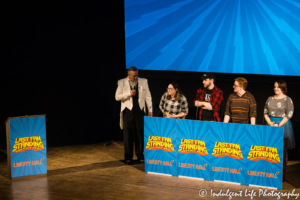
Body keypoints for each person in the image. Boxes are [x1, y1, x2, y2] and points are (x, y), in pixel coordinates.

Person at [115, 66, 153, 165]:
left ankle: (140, 155)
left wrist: (150, 109)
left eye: (137, 75)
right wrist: (128, 94)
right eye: (134, 76)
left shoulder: (144, 81)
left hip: (139, 111)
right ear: (129, 75)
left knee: (139, 135)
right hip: (128, 112)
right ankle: (128, 157)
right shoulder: (121, 82)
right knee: (128, 136)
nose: (136, 77)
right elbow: (117, 97)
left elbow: (148, 96)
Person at [264, 80, 295, 148]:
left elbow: (289, 114)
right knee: (271, 146)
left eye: (278, 87)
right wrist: (269, 122)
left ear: (283, 88)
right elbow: (265, 112)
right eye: (275, 87)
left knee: (283, 147)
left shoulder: (288, 99)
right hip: (271, 124)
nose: (276, 88)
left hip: (283, 125)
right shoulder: (270, 98)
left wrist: (278, 125)